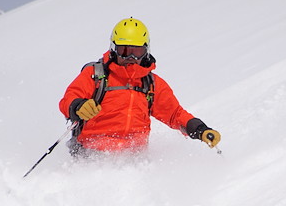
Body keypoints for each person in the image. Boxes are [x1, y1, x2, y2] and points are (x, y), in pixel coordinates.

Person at [59, 17, 221, 156]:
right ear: (114, 49)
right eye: (124, 50)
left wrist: (200, 129)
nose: (130, 57)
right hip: (92, 156)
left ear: (146, 51)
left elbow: (174, 114)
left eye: (136, 52)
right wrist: (78, 106)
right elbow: (69, 98)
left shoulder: (150, 84)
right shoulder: (96, 74)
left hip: (134, 160)